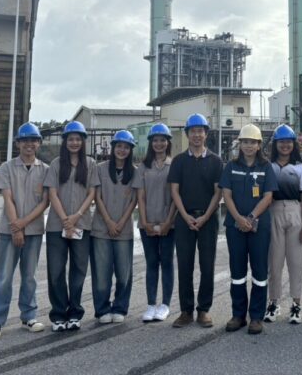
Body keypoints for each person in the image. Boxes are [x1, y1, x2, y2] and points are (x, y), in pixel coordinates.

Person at [0, 122, 49, 340]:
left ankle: (29, 315)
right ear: (18, 144)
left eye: (33, 140)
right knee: (4, 276)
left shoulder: (45, 170)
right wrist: (16, 227)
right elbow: (8, 198)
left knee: (30, 276)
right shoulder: (7, 168)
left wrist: (23, 224)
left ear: (39, 143)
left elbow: (45, 203)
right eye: (24, 141)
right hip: (8, 230)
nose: (29, 144)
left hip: (34, 230)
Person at [221, 124, 278, 335]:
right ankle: (238, 315)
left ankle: (256, 317)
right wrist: (238, 218)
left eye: (252, 142)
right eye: (245, 142)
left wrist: (251, 218)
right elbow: (226, 194)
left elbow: (268, 196)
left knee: (259, 272)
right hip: (235, 226)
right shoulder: (231, 166)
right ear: (240, 144)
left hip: (259, 227)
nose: (248, 146)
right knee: (237, 272)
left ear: (259, 145)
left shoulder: (266, 167)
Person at [43, 120, 100, 332]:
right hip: (57, 226)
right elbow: (52, 193)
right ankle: (58, 314)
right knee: (56, 271)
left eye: (78, 139)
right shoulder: (56, 164)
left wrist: (76, 216)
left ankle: (75, 313)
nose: (74, 142)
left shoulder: (90, 164)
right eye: (70, 139)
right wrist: (65, 219)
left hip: (81, 225)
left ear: (83, 141)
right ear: (65, 141)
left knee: (78, 270)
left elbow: (92, 193)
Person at [168, 113, 223, 328]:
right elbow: (174, 191)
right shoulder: (179, 161)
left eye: (201, 131)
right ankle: (186, 311)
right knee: (185, 266)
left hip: (208, 219)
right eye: (193, 131)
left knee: (207, 266)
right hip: (185, 219)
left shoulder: (216, 161)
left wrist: (205, 216)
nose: (197, 135)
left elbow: (218, 193)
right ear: (187, 134)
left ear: (206, 134)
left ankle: (203, 310)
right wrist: (185, 216)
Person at [264, 124, 302, 325]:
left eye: (288, 142)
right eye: (281, 142)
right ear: (275, 144)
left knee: (295, 263)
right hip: (273, 212)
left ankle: (296, 304)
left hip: (295, 211)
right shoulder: (268, 166)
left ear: (294, 144)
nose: (285, 145)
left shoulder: (300, 168)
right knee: (274, 263)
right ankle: (273, 302)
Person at [91, 130, 138, 324]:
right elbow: (97, 197)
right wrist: (109, 222)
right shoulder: (100, 169)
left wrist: (120, 222)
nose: (122, 150)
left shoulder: (135, 171)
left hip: (124, 229)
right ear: (113, 147)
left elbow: (134, 200)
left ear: (130, 150)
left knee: (123, 272)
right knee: (101, 272)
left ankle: (120, 307)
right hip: (101, 229)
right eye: (119, 146)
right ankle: (102, 309)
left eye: (126, 147)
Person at [133, 123, 176, 322]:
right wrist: (144, 221)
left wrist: (168, 222)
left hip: (169, 223)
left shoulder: (174, 165)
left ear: (168, 142)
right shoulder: (143, 167)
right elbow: (140, 197)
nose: (159, 144)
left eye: (162, 140)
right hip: (147, 223)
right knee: (151, 263)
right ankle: (151, 305)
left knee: (166, 262)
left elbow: (176, 197)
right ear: (150, 143)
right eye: (155, 140)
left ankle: (165, 305)